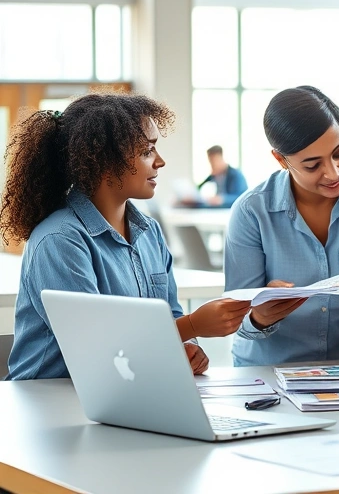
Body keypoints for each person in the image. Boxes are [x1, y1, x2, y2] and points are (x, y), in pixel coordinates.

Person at [2, 94, 251, 380]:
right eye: (147, 150)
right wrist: (192, 326)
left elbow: (168, 311)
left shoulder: (150, 232)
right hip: (49, 400)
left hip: (127, 391)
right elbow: (96, 345)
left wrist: (186, 346)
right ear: (104, 160)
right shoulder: (59, 240)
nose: (161, 161)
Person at [224, 86, 339, 366]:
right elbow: (237, 318)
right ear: (281, 160)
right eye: (312, 165)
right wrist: (259, 317)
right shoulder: (251, 211)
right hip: (266, 372)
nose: (333, 172)